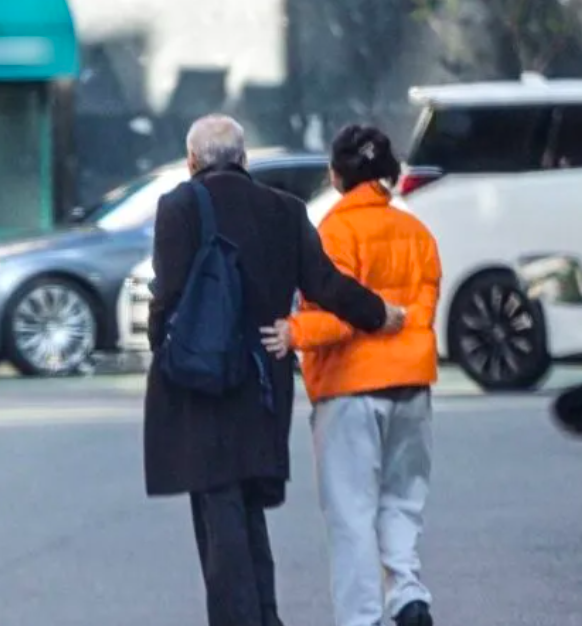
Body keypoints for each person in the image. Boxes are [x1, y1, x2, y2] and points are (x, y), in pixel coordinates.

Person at [144, 115, 406, 626]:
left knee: (218, 513)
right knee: (245, 505)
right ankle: (266, 615)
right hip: (265, 377)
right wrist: (379, 313)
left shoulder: (177, 207)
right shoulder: (285, 210)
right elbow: (325, 284)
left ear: (192, 161)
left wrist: (163, 349)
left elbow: (166, 294)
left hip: (202, 378)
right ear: (244, 159)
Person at [262, 124, 442, 626]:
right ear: (387, 172)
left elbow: (342, 313)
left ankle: (362, 618)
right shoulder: (417, 232)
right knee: (403, 500)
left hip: (349, 389)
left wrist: (294, 331)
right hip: (412, 382)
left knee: (351, 515)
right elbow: (417, 309)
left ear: (336, 174)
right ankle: (407, 595)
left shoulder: (335, 232)